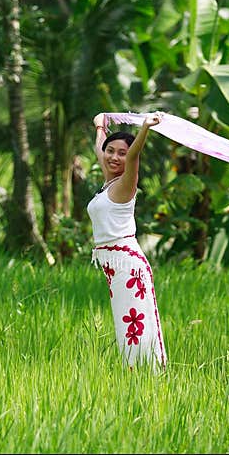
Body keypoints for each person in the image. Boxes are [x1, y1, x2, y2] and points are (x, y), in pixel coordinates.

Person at [87, 112, 167, 371]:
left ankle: (147, 376)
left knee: (136, 327)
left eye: (121, 153)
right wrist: (100, 124)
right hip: (116, 267)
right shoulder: (108, 182)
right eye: (111, 151)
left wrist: (144, 129)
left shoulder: (126, 184)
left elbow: (133, 157)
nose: (113, 157)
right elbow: (100, 148)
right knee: (126, 326)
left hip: (127, 266)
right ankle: (135, 375)